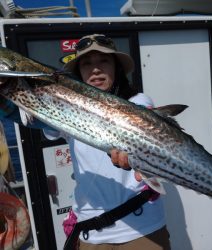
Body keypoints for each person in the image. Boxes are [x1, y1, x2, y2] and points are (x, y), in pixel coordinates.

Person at [0, 34, 171, 250]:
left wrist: (137, 156)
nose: (95, 69)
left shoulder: (137, 102)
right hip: (91, 231)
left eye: (103, 61)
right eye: (87, 63)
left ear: (116, 67)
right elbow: (20, 114)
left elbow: (145, 124)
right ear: (79, 71)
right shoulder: (65, 109)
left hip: (143, 228)